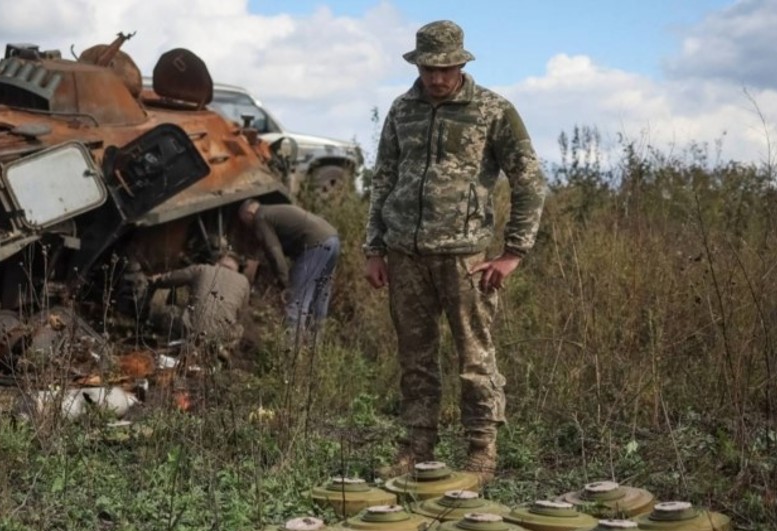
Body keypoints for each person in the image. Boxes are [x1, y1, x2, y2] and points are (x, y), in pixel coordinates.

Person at [364, 20, 547, 481]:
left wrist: (513, 253)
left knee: (474, 357)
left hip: (467, 258)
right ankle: (417, 448)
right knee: (415, 359)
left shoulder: (493, 110)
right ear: (419, 65)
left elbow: (529, 181)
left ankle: (481, 451)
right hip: (405, 254)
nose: (437, 78)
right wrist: (374, 247)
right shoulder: (402, 109)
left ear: (462, 63)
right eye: (429, 68)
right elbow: (383, 178)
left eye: (446, 68)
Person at [237, 199, 340, 343]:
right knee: (319, 301)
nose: (249, 228)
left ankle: (291, 354)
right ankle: (314, 349)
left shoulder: (260, 217)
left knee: (296, 303)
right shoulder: (275, 210)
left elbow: (274, 252)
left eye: (245, 223)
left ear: (249, 213)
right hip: (332, 240)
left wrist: (285, 283)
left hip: (315, 244)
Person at [142, 254, 252, 357]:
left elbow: (168, 279)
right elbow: (241, 315)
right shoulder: (244, 281)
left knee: (168, 311)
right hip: (221, 337)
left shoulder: (202, 269)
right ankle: (222, 349)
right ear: (236, 269)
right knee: (239, 329)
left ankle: (146, 322)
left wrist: (154, 279)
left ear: (217, 263)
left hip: (191, 331)